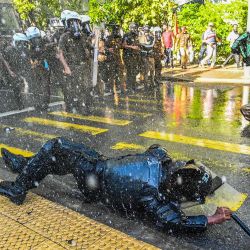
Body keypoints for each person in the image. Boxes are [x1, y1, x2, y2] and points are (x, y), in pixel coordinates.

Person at [0, 139, 232, 232]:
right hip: (98, 168)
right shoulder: (162, 167)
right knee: (57, 161)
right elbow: (156, 147)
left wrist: (212, 218)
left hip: (95, 176)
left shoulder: (152, 195)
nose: (178, 164)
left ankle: (19, 187)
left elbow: (173, 222)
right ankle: (23, 166)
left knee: (56, 147)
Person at [58, 10, 92, 113]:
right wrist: (66, 67)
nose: (75, 24)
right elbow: (61, 54)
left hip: (84, 65)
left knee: (87, 86)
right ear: (68, 23)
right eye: (72, 22)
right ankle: (83, 108)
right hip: (73, 66)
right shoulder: (64, 37)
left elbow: (89, 47)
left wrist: (94, 39)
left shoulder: (82, 36)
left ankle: (86, 105)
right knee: (78, 88)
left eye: (76, 22)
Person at [1, 33, 31, 109]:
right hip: (14, 70)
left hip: (22, 70)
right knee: (16, 87)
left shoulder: (25, 49)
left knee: (24, 86)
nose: (22, 44)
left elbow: (28, 59)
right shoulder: (8, 50)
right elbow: (5, 61)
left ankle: (24, 102)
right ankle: (20, 104)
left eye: (23, 42)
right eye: (19, 42)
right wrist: (10, 71)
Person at [26, 27, 51, 111]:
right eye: (33, 39)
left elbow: (47, 52)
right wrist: (33, 62)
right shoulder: (29, 46)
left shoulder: (44, 42)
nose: (35, 40)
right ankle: (39, 103)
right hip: (35, 68)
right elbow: (28, 56)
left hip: (43, 65)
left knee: (44, 85)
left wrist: (39, 60)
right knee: (36, 86)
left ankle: (44, 104)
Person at [104, 24, 124, 94]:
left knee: (120, 74)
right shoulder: (109, 38)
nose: (117, 31)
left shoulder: (119, 38)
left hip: (118, 59)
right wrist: (108, 49)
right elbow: (104, 47)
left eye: (117, 29)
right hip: (111, 59)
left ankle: (122, 89)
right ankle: (111, 90)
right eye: (116, 30)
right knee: (111, 75)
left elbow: (122, 46)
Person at [123, 22, 141, 93]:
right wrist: (132, 47)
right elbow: (123, 45)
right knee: (129, 71)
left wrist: (138, 48)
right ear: (131, 28)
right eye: (134, 28)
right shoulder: (126, 35)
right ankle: (129, 87)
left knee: (134, 71)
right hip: (128, 56)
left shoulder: (136, 36)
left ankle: (133, 86)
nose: (136, 29)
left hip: (135, 56)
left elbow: (138, 44)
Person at [139, 25, 155, 89]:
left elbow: (151, 45)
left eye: (147, 31)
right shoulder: (141, 38)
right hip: (144, 56)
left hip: (150, 55)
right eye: (145, 31)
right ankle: (145, 84)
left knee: (152, 69)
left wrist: (146, 45)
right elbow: (142, 45)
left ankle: (152, 82)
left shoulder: (152, 37)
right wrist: (146, 45)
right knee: (146, 70)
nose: (146, 33)